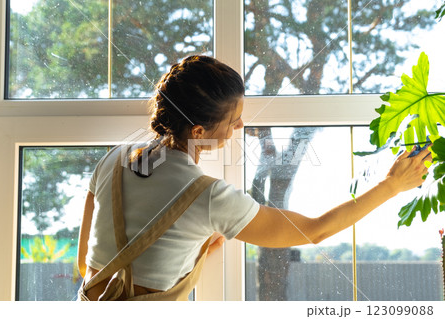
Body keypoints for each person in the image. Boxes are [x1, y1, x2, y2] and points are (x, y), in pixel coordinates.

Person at [77, 55, 432, 301]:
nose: (241, 126)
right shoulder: (209, 196)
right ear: (200, 131)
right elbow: (315, 229)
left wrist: (189, 244)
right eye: (234, 121)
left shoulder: (114, 159)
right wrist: (391, 186)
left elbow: (87, 265)